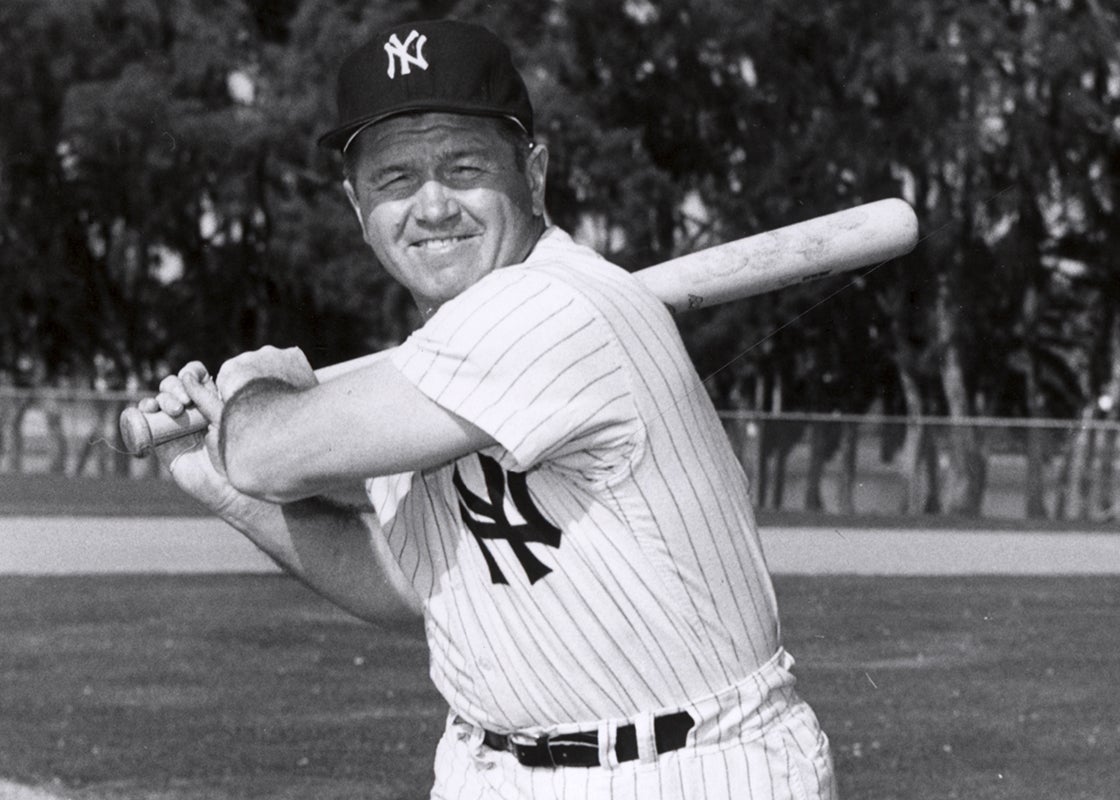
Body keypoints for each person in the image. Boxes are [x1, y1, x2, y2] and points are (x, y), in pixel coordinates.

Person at [139, 18, 836, 800]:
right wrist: (221, 483)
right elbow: (407, 586)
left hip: (686, 769)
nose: (431, 206)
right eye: (394, 180)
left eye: (463, 166)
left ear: (532, 174)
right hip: (491, 767)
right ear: (356, 206)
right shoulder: (429, 369)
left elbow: (271, 452)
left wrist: (255, 392)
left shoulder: (555, 308)